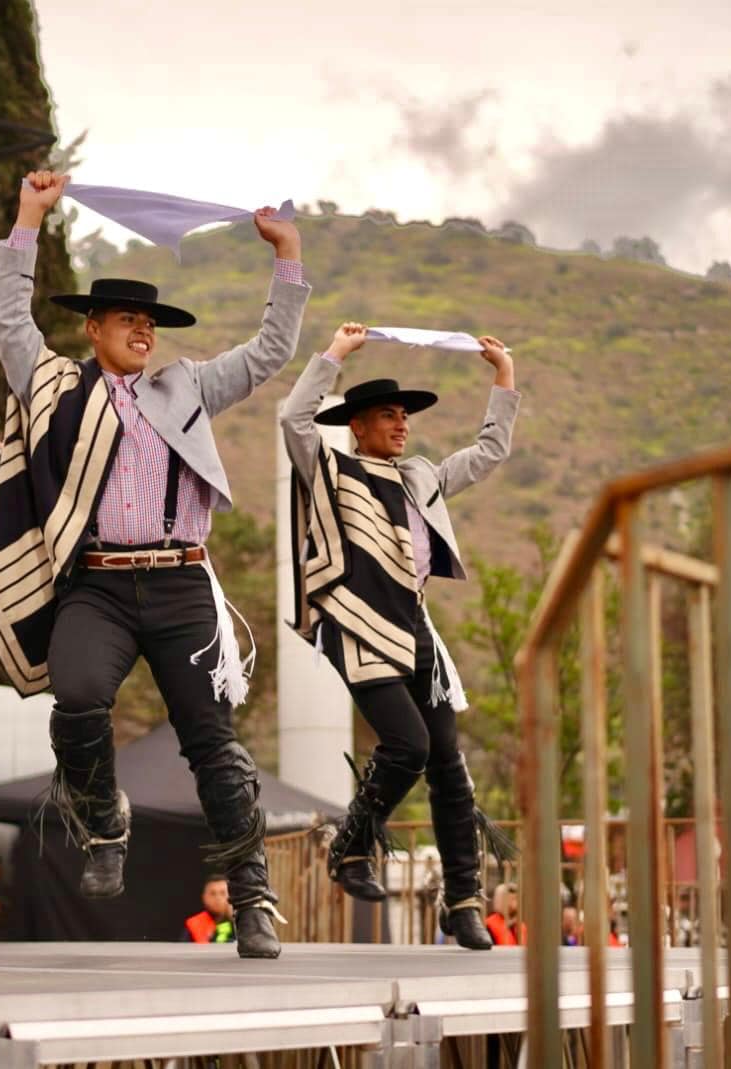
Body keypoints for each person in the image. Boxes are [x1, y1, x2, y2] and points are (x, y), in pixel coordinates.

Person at [0, 170, 309, 959]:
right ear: (92, 329)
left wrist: (288, 256)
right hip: (96, 582)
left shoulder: (187, 386)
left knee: (212, 740)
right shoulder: (56, 386)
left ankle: (253, 896)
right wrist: (29, 214)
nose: (142, 329)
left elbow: (271, 351)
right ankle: (103, 820)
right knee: (80, 698)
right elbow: (5, 319)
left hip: (179, 581)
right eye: (127, 318)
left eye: (149, 321)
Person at [280, 321, 519, 951]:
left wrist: (503, 379)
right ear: (357, 425)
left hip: (414, 629)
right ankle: (351, 845)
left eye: (403, 416)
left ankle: (463, 901)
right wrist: (334, 354)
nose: (400, 424)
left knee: (450, 767)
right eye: (387, 415)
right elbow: (293, 420)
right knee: (407, 744)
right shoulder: (330, 469)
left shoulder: (420, 478)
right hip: (359, 624)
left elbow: (489, 454)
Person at [184, 876, 236, 944]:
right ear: (204, 897)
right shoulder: (193, 924)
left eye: (223, 893)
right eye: (212, 893)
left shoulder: (240, 923)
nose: (218, 898)